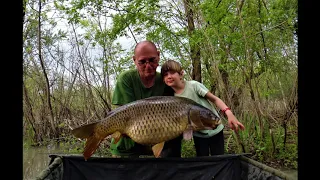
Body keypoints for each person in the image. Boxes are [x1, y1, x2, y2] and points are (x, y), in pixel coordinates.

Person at [110, 40, 182, 158]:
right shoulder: (126, 79)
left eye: (152, 60)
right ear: (134, 60)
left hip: (157, 138)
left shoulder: (166, 81)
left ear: (158, 56)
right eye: (142, 62)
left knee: (176, 136)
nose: (148, 66)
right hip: (128, 141)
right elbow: (126, 115)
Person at [161, 59, 245, 156]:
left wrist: (229, 113)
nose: (169, 77)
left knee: (218, 158)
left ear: (181, 73)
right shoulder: (171, 97)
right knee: (203, 160)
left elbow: (215, 99)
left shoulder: (194, 86)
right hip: (198, 135)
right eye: (165, 75)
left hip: (215, 129)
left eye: (172, 73)